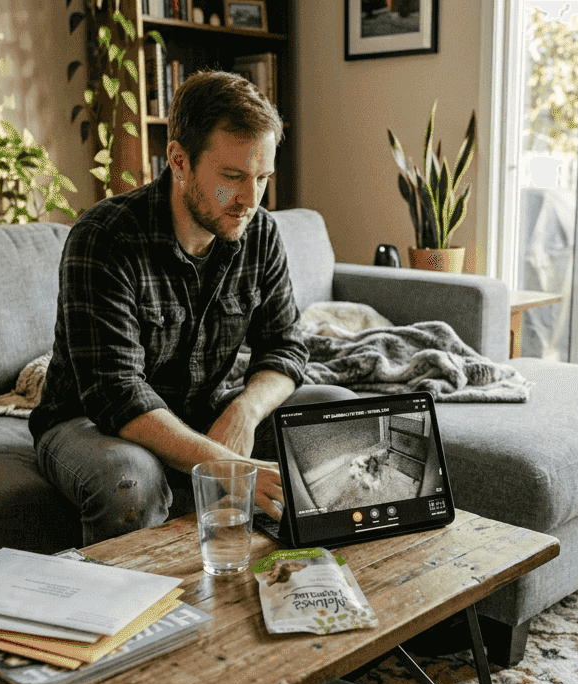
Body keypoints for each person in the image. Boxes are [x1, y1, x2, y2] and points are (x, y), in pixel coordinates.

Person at [31, 71, 356, 545]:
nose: (250, 199)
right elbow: (116, 394)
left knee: (339, 414)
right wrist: (228, 464)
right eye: (232, 177)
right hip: (89, 423)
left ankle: (321, 584)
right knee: (131, 482)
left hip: (203, 410)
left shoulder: (259, 233)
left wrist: (245, 410)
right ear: (179, 161)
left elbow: (286, 349)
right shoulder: (104, 238)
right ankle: (129, 614)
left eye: (261, 178)